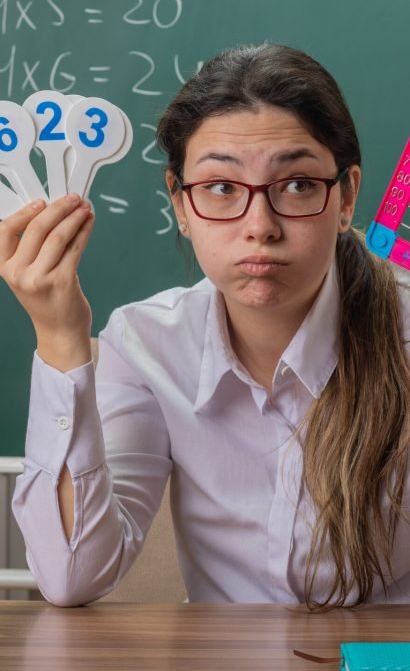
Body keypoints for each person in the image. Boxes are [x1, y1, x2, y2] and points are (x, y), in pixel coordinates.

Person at [2, 43, 409, 610]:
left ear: (345, 197)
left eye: (296, 185)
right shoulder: (147, 345)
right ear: (180, 204)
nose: (259, 226)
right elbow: (73, 577)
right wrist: (60, 336)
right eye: (221, 188)